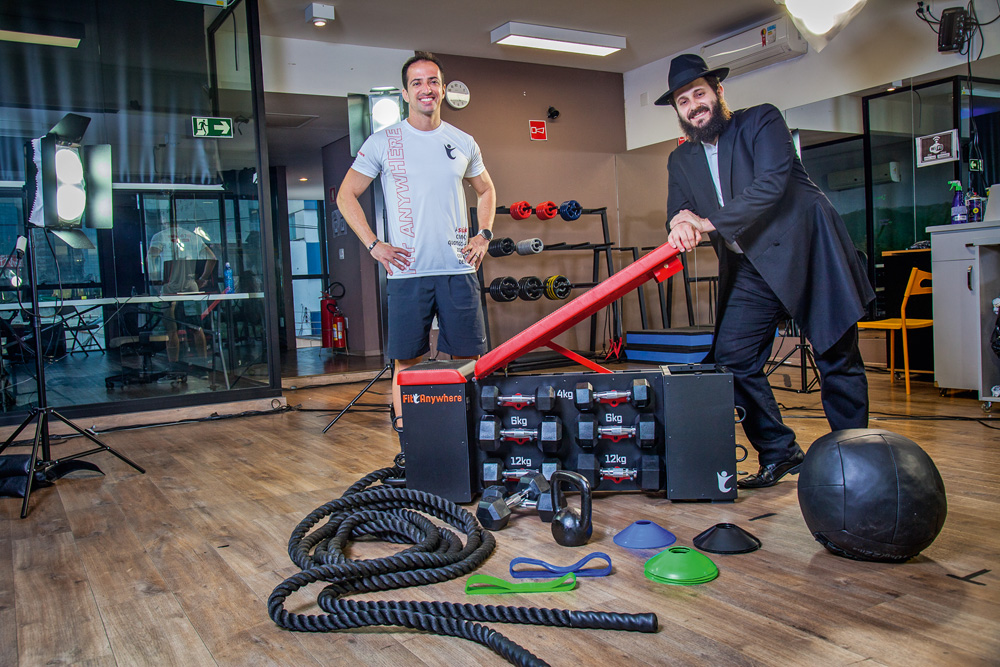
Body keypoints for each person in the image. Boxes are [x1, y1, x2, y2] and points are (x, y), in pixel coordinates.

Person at [656, 54, 875, 489]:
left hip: (807, 249)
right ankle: (779, 452)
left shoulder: (761, 121)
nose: (694, 105)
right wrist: (680, 220)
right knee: (731, 359)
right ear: (678, 112)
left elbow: (771, 184)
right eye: (684, 101)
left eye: (700, 93)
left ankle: (853, 462)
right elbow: (679, 208)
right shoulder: (680, 161)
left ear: (718, 92)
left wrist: (706, 223)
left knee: (836, 356)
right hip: (751, 265)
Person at [337, 51, 496, 433]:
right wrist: (374, 245)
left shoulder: (462, 141)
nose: (426, 89)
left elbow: (486, 189)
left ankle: (469, 433)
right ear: (406, 94)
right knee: (406, 362)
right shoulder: (383, 142)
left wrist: (484, 233)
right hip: (408, 272)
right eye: (417, 83)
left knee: (469, 358)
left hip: (458, 268)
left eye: (433, 81)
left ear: (442, 89)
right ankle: (409, 443)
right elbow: (345, 195)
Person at [147, 221, 217, 363]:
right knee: (197, 328)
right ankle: (203, 364)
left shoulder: (160, 236)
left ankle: (174, 366)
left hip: (169, 288)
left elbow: (150, 257)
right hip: (190, 287)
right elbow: (212, 258)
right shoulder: (193, 237)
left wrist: (154, 280)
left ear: (165, 222)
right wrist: (203, 278)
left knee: (171, 331)